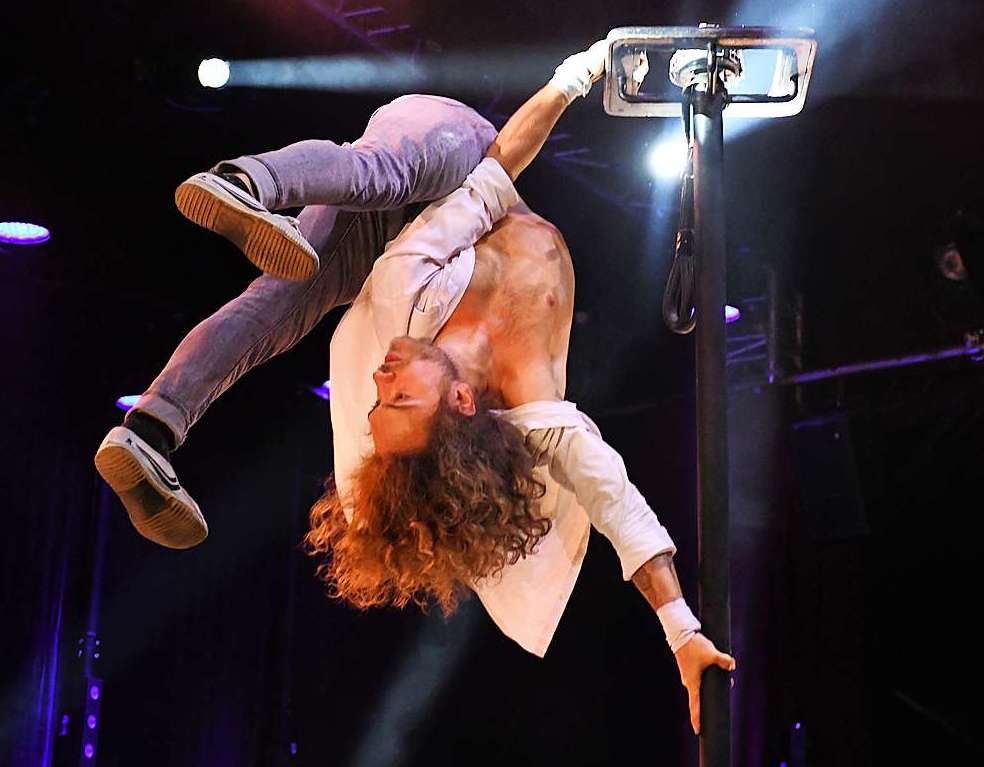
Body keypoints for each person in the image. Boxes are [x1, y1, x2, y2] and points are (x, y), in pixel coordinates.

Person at [96, 41, 734, 735]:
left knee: (282, 299)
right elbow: (622, 511)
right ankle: (233, 215)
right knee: (371, 184)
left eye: (375, 399)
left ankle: (168, 391)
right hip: (462, 155)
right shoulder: (538, 406)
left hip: (413, 221)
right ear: (463, 403)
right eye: (399, 396)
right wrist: (681, 631)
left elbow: (463, 212)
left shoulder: (401, 290)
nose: (379, 375)